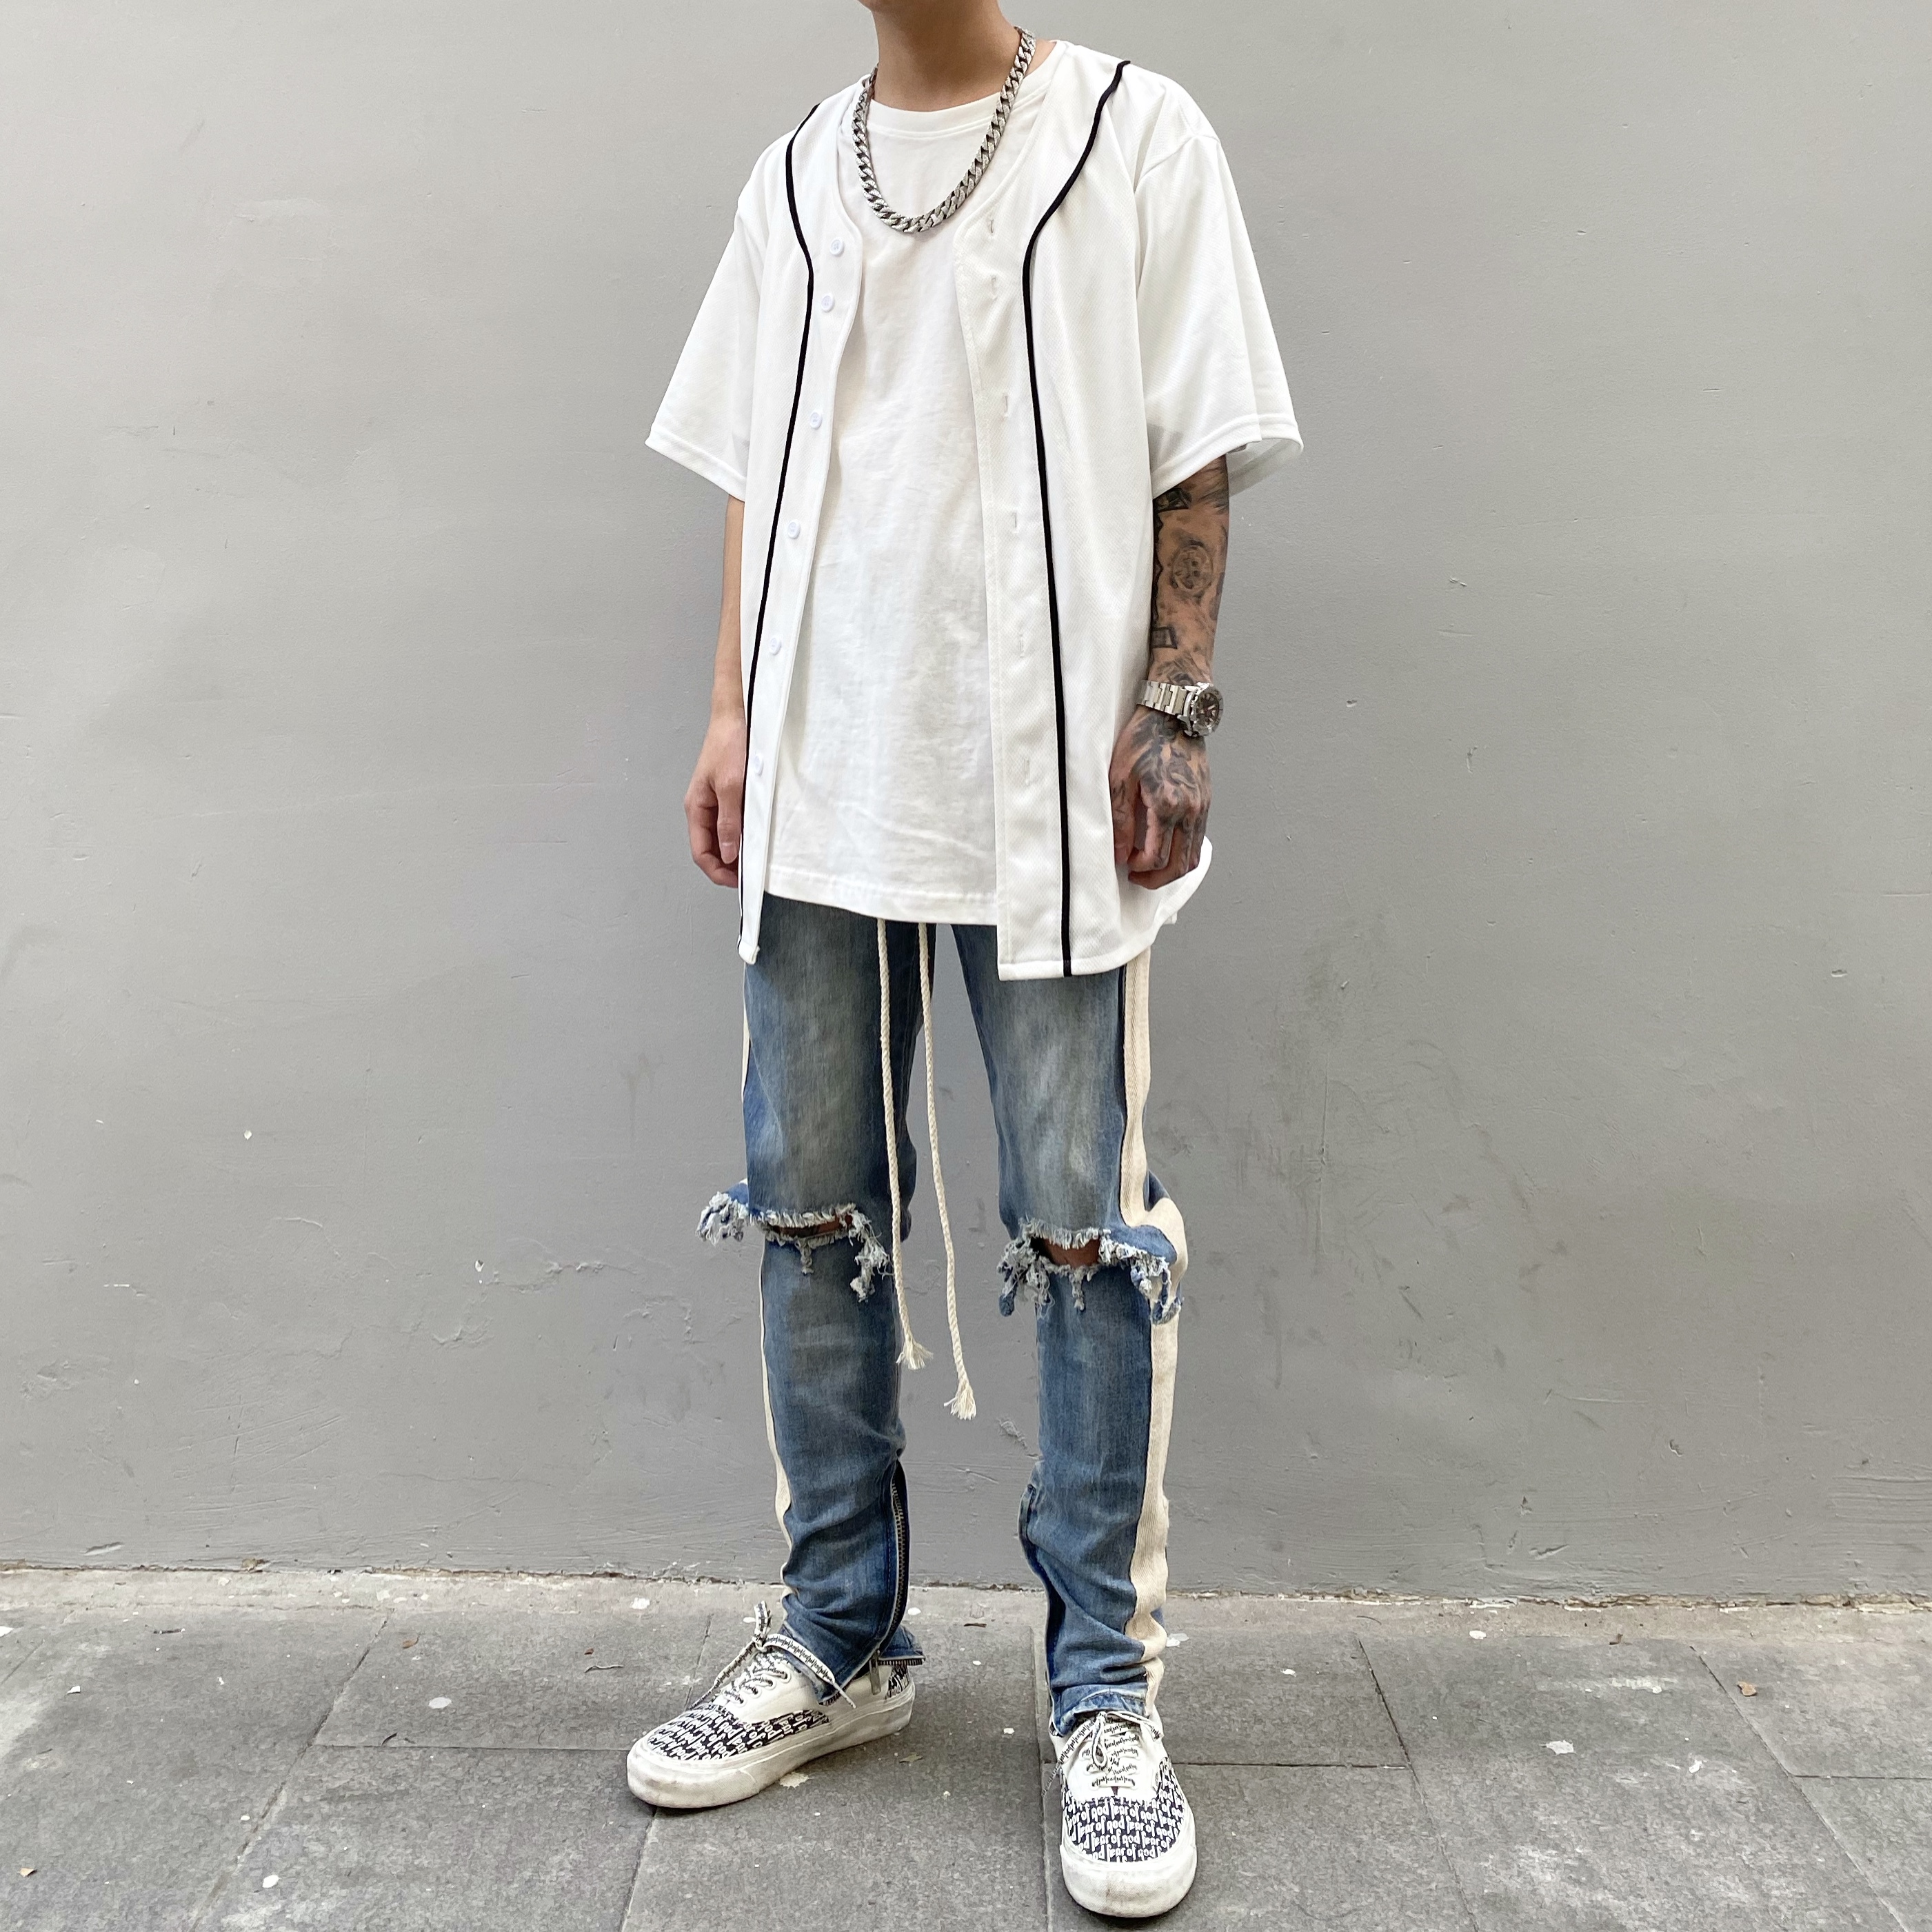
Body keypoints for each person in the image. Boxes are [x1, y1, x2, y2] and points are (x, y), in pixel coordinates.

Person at [627, 0, 1298, 1915]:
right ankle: (838, 1634)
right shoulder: (794, 180)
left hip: (1048, 784)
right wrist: (727, 714)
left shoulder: (1133, 135)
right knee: (805, 1204)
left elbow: (1195, 443)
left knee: (1085, 1224)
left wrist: (1176, 703)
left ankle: (1105, 1691)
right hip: (824, 766)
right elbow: (756, 466)